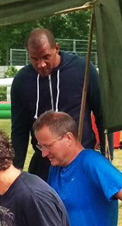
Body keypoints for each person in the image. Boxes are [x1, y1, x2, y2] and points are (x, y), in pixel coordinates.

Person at [11, 28, 107, 182]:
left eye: (46, 57)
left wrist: (106, 156)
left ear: (56, 48)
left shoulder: (83, 69)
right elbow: (19, 131)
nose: (41, 64)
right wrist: (14, 172)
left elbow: (103, 114)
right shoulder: (22, 81)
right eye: (34, 59)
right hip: (43, 164)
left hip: (81, 160)